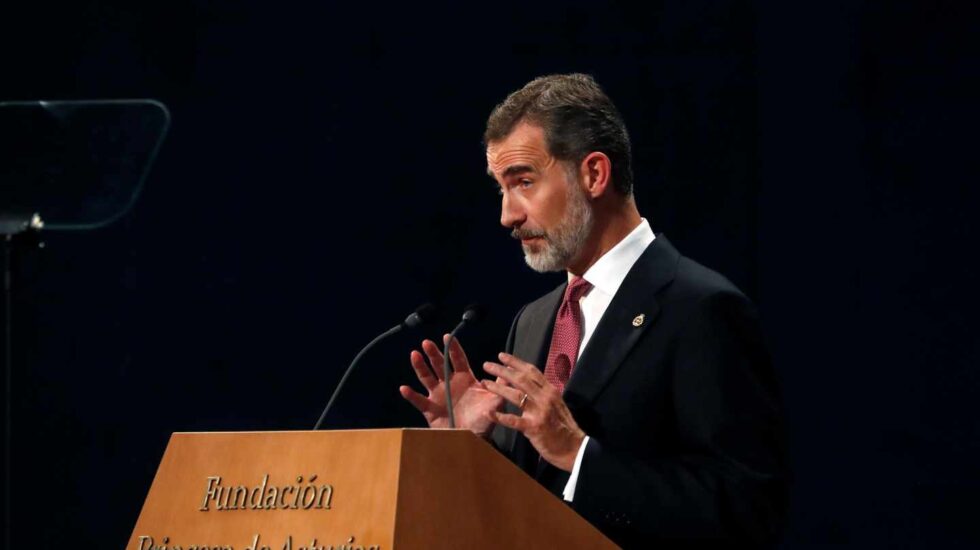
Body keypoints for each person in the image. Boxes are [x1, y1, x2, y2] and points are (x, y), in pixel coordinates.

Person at [399, 73, 788, 548]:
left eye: (523, 182)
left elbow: (748, 508)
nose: (507, 215)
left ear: (595, 174)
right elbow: (527, 499)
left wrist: (579, 454)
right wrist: (471, 449)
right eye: (500, 188)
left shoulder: (701, 309)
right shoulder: (534, 321)